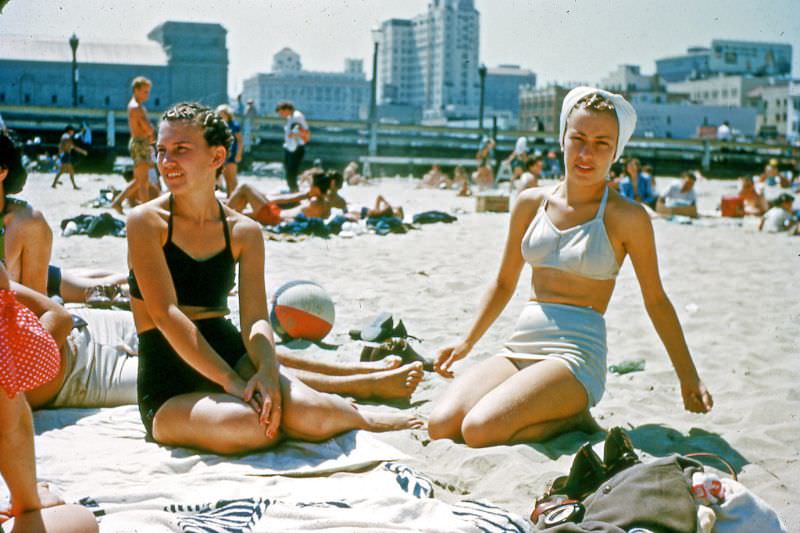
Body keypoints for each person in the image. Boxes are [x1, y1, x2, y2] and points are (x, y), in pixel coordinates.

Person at [126, 102, 421, 454]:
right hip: (168, 373)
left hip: (229, 349)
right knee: (253, 427)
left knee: (310, 415)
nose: (166, 161)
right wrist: (232, 383)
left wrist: (265, 369)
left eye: (181, 149)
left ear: (217, 157)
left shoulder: (244, 231)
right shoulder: (145, 222)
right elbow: (165, 314)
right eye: (161, 151)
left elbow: (254, 319)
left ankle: (359, 415)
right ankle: (343, 399)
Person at [428, 87, 713, 448]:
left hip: (576, 356)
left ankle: (575, 418)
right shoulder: (529, 203)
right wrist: (466, 341)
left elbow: (655, 299)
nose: (586, 153)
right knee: (441, 425)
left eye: (601, 143)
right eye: (577, 138)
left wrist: (688, 377)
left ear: (617, 151)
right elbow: (503, 283)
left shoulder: (627, 217)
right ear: (562, 137)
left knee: (479, 430)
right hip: (521, 344)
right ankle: (548, 410)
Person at [0, 263, 99, 532]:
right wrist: (26, 500)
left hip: (71, 368)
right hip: (73, 371)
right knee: (82, 520)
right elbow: (10, 427)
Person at [111, 76, 155, 213]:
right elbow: (147, 128)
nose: (147, 94)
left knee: (140, 180)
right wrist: (152, 134)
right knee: (143, 181)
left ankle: (118, 201)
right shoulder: (136, 108)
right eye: (145, 91)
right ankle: (146, 211)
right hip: (140, 143)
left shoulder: (137, 106)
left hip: (140, 142)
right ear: (136, 90)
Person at [227, 170, 334, 226]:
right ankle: (225, 216)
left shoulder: (315, 201)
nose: (308, 188)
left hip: (275, 217)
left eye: (310, 185)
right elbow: (287, 198)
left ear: (316, 188)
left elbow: (285, 201)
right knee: (241, 212)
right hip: (275, 214)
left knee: (244, 187)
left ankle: (221, 216)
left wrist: (264, 198)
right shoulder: (319, 199)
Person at [276, 101, 309, 192]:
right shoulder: (291, 117)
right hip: (290, 147)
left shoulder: (297, 117)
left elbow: (304, 131)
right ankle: (293, 189)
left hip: (296, 148)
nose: (281, 115)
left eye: (281, 112)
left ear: (286, 109)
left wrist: (294, 133)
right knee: (289, 170)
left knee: (292, 172)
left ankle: (294, 191)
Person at [215, 105, 244, 197]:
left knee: (232, 178)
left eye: (222, 113)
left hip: (232, 154)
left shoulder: (234, 125)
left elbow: (240, 140)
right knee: (226, 177)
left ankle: (237, 197)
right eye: (219, 113)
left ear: (227, 114)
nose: (220, 115)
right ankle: (229, 197)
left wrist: (239, 153)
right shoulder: (218, 125)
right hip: (222, 154)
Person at [51, 125, 87, 190]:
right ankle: (74, 186)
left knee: (63, 171)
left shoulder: (65, 137)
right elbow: (71, 146)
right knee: (70, 171)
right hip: (66, 155)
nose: (73, 132)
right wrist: (82, 151)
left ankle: (54, 184)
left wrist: (59, 155)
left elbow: (63, 146)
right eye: (72, 131)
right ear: (70, 131)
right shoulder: (67, 137)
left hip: (64, 155)